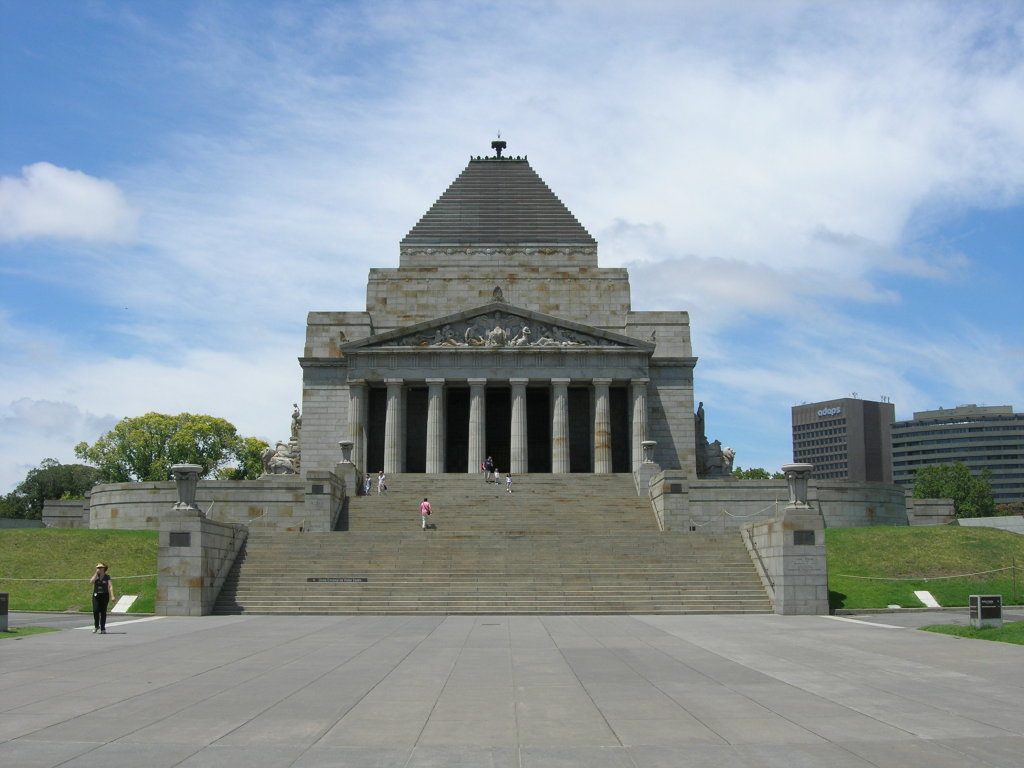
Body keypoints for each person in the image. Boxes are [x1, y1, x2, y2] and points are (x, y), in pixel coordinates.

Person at [89, 562, 115, 634]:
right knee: (95, 610)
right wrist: (95, 574)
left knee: (103, 612)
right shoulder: (96, 576)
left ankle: (103, 628)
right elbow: (91, 582)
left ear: (104, 568)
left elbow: (110, 586)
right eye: (98, 568)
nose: (99, 569)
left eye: (100, 567)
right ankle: (96, 626)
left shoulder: (107, 577)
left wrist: (112, 596)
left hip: (104, 595)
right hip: (96, 595)